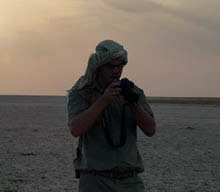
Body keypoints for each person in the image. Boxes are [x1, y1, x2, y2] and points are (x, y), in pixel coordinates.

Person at [67, 40, 156, 192]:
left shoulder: (132, 92)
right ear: (98, 67)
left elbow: (150, 130)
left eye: (120, 66)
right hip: (95, 179)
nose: (116, 71)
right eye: (110, 66)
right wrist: (103, 101)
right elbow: (76, 129)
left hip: (129, 179)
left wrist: (133, 103)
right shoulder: (82, 92)